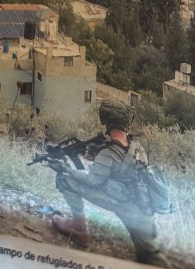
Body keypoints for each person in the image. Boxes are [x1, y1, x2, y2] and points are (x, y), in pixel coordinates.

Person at [52, 100, 171, 266]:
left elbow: (93, 181)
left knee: (65, 178)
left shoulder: (107, 152)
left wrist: (65, 168)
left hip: (119, 201)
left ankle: (79, 229)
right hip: (141, 205)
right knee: (149, 254)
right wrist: (98, 159)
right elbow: (129, 172)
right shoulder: (138, 147)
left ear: (107, 122)